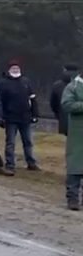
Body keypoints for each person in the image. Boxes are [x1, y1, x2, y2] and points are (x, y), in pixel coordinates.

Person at [0, 60, 40, 174]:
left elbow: (33, 99)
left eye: (17, 68)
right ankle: (10, 164)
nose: (16, 70)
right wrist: (0, 117)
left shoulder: (26, 81)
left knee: (28, 141)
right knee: (10, 142)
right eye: (13, 68)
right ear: (9, 70)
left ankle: (31, 163)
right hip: (10, 118)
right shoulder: (3, 83)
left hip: (26, 117)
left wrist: (35, 114)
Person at [60, 73, 83, 210]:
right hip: (77, 133)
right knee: (75, 166)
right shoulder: (73, 87)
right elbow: (67, 104)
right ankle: (72, 198)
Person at [51, 64, 80, 137]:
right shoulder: (80, 85)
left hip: (64, 120)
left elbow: (53, 104)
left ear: (64, 70)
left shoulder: (57, 85)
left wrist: (59, 116)